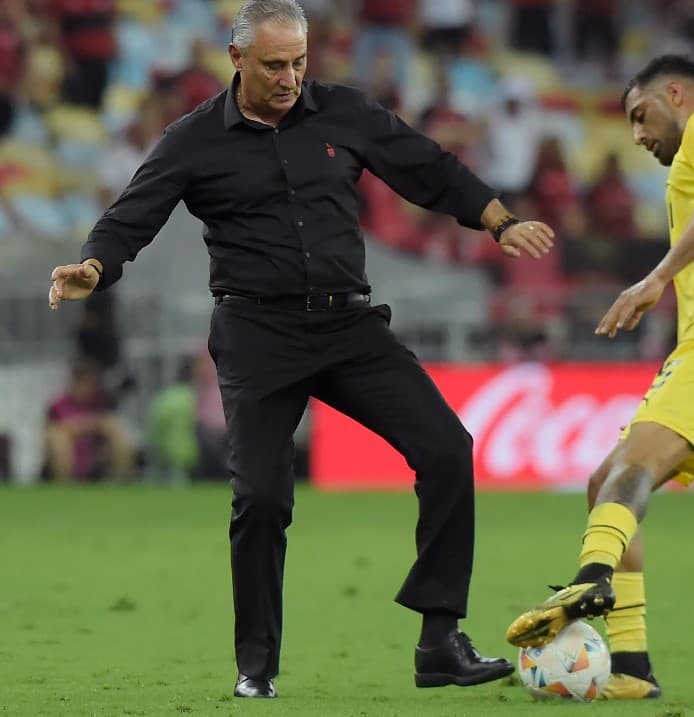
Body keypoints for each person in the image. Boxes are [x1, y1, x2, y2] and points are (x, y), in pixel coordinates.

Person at [48, 0, 555, 699]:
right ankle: (256, 666)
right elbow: (131, 215)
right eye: (274, 65)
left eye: (298, 63)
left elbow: (424, 164)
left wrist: (498, 219)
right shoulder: (192, 139)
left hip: (349, 328)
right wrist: (94, 267)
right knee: (260, 497)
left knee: (446, 448)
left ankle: (439, 639)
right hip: (257, 337)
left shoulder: (341, 113)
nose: (290, 78)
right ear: (236, 60)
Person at [505, 55, 694, 699]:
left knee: (629, 469)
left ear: (675, 94)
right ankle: (632, 669)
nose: (636, 135)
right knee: (602, 480)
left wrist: (655, 279)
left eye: (640, 116)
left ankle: (594, 578)